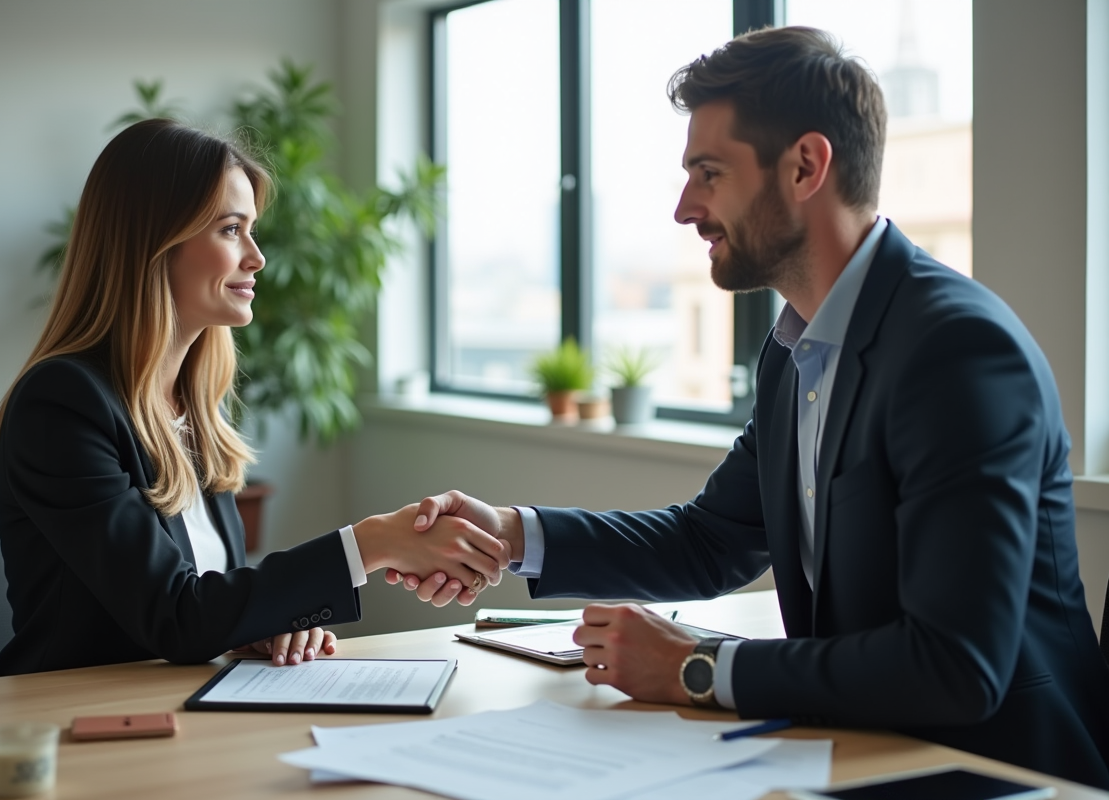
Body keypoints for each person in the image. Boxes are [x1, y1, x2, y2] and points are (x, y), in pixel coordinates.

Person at [391, 26, 1109, 788]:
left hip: (1003, 774)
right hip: (858, 750)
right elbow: (711, 540)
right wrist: (511, 534)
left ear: (805, 166)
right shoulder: (794, 350)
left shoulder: (956, 351)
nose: (683, 209)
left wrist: (699, 667)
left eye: (709, 173)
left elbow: (954, 667)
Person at [0, 119, 504, 677]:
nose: (256, 257)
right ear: (155, 243)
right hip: (78, 714)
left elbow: (208, 601)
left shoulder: (193, 405)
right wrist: (370, 543)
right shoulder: (62, 405)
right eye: (231, 230)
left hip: (187, 702)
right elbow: (176, 618)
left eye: (251, 230)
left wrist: (261, 622)